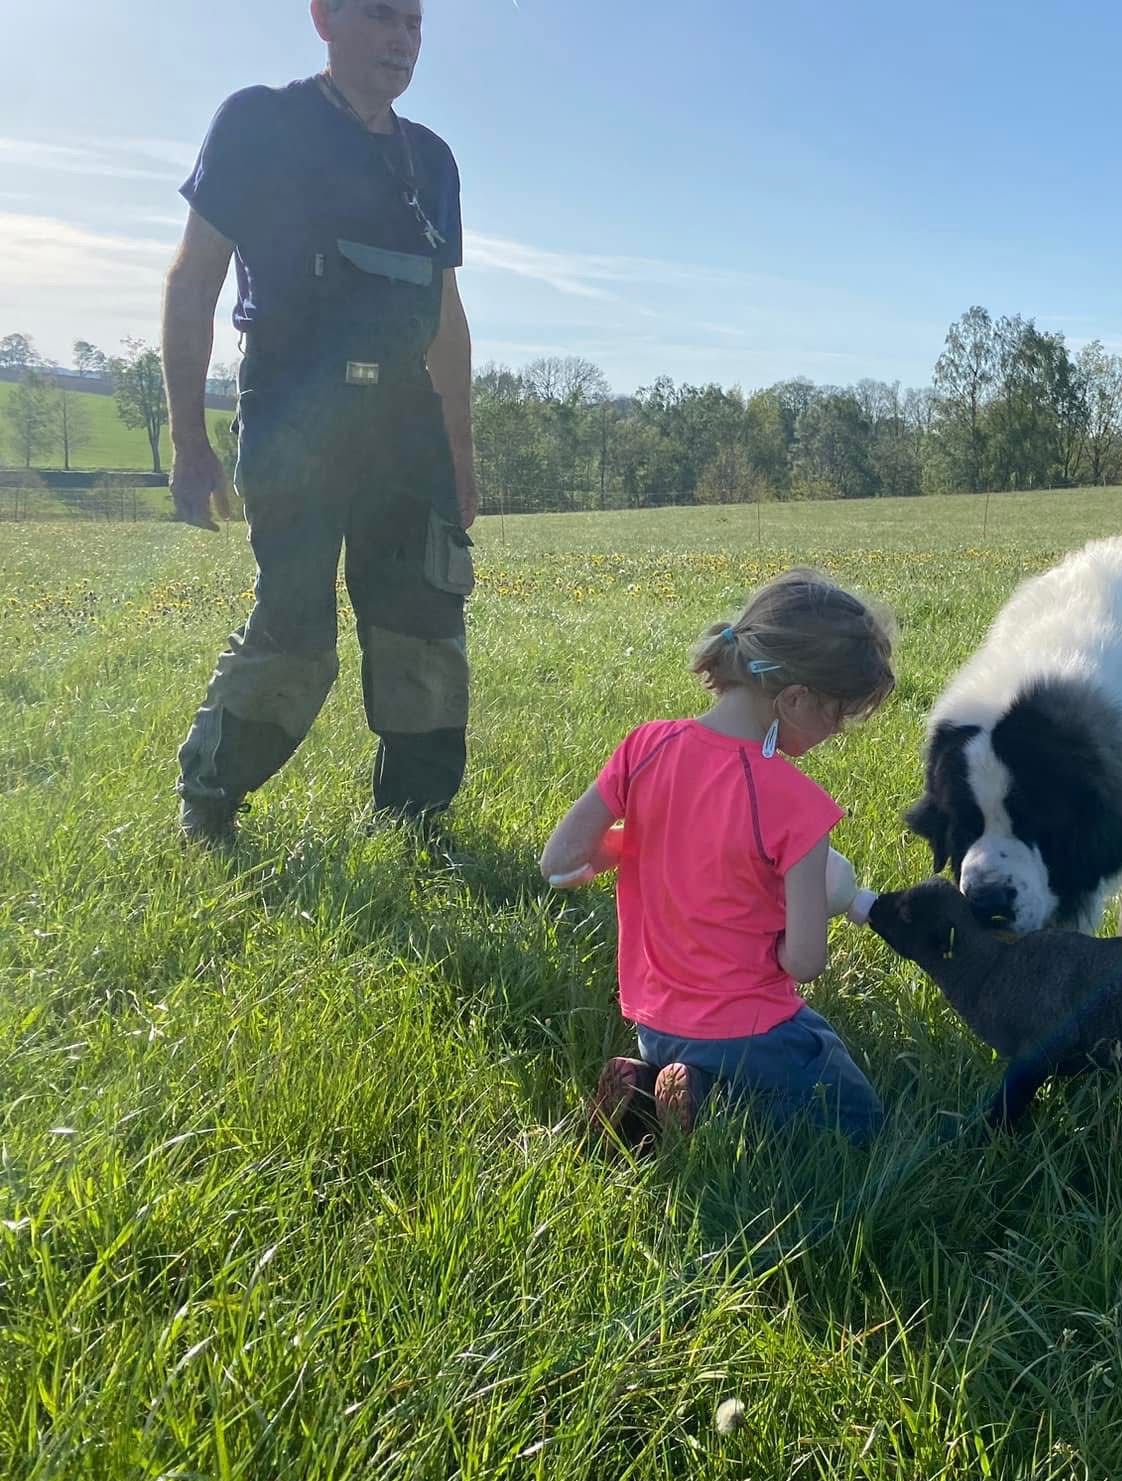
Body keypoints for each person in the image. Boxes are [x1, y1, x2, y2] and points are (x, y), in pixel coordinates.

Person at [165, 0, 479, 843]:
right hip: (294, 411)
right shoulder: (259, 123)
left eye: (413, 22)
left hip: (407, 421)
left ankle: (416, 820)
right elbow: (195, 280)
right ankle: (210, 800)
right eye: (379, 16)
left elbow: (445, 316)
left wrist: (462, 451)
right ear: (323, 18)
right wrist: (189, 442)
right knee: (295, 626)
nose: (400, 38)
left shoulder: (433, 161)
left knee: (423, 622)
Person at [541, 571, 896, 1147]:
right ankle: (707, 1101)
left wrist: (642, 844)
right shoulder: (798, 804)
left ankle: (647, 1085)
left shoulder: (646, 746)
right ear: (796, 698)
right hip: (749, 1029)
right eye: (837, 715)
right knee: (858, 1121)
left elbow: (559, 859)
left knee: (708, 1060)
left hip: (654, 1023)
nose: (835, 732)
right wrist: (811, 908)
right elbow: (805, 961)